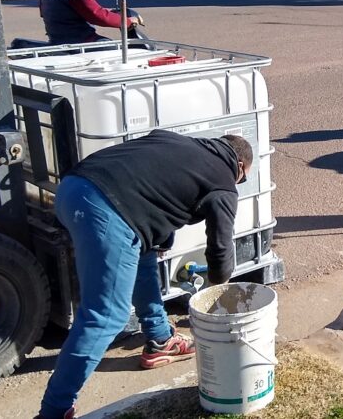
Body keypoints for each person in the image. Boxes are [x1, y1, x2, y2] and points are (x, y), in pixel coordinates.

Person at [36, 130, 252, 419]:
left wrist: (161, 239)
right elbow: (221, 251)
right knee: (106, 317)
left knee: (144, 254)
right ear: (240, 166)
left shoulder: (175, 142)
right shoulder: (224, 182)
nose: (238, 184)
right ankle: (54, 411)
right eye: (243, 179)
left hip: (72, 189)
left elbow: (151, 188)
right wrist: (218, 297)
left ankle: (160, 339)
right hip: (106, 209)